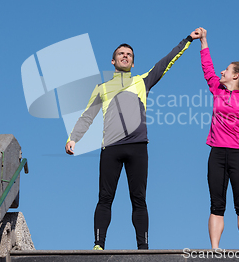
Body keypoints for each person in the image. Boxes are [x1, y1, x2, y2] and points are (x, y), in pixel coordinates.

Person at [65, 29, 202, 250]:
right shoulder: (101, 88)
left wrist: (187, 40)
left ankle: (143, 248)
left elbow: (166, 62)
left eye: (129, 54)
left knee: (139, 200)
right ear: (113, 60)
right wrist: (73, 138)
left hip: (138, 148)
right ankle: (99, 245)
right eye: (121, 53)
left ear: (133, 63)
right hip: (110, 149)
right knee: (104, 198)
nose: (125, 56)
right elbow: (87, 115)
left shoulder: (142, 81)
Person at [198, 27, 239, 250]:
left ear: (235, 76)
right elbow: (207, 68)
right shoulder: (217, 90)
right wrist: (204, 41)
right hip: (217, 154)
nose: (221, 72)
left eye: (226, 70)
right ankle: (215, 249)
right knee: (216, 205)